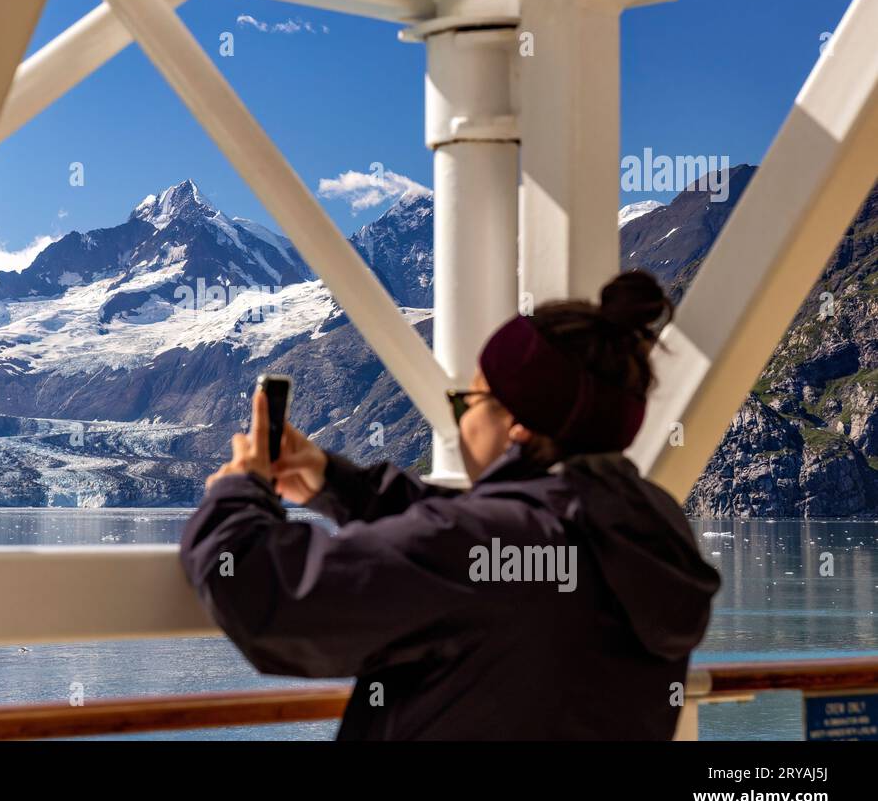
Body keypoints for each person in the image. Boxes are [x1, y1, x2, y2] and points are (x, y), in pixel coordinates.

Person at [179, 270, 721, 740]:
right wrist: (335, 482)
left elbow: (275, 602)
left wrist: (238, 492)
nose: (461, 417)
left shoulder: (496, 544)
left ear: (518, 423)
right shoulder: (650, 524)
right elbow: (471, 540)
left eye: (470, 398)